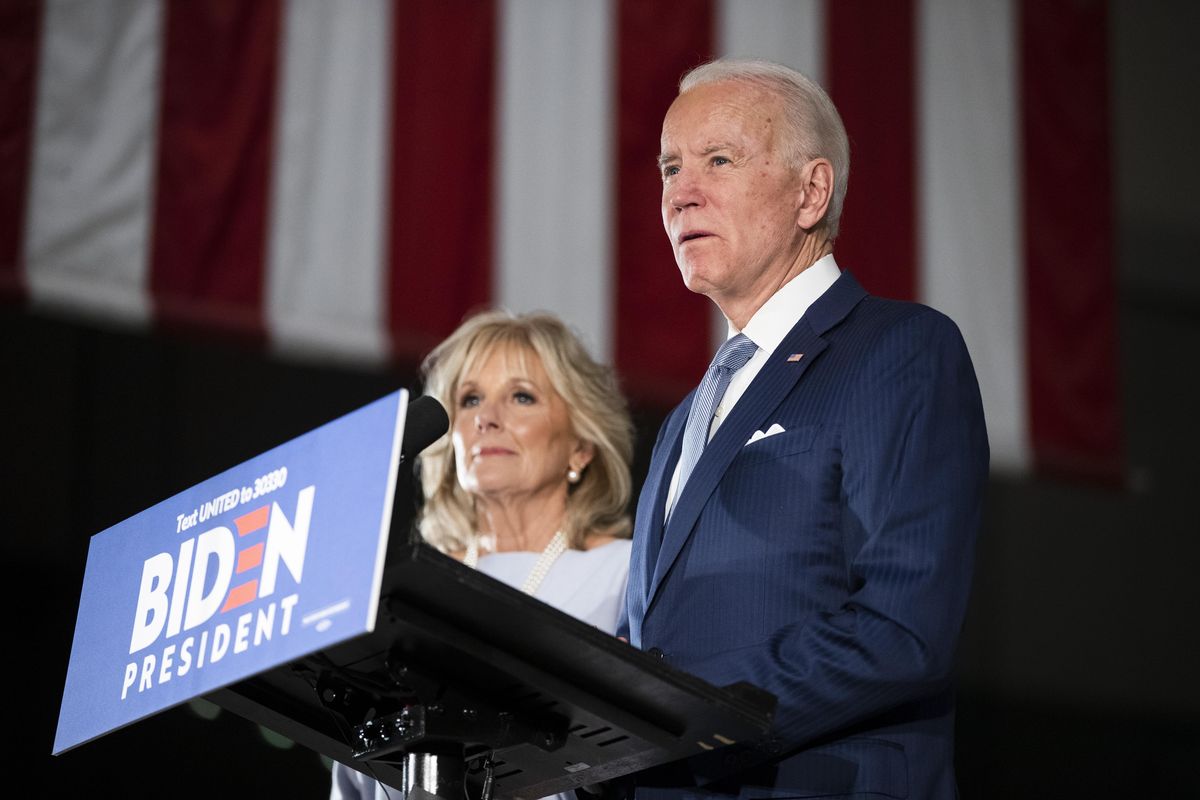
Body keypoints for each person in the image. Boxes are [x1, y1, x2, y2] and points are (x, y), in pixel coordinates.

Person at [622, 58, 989, 799]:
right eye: (670, 168)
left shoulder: (898, 350)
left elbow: (900, 628)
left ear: (811, 192)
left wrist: (678, 716)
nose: (681, 193)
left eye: (718, 161)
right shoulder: (685, 420)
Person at [331, 309, 636, 800]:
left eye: (521, 397)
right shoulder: (403, 595)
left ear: (581, 446)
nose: (485, 418)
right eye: (469, 399)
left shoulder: (628, 574)